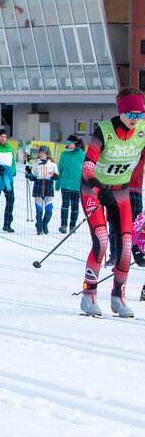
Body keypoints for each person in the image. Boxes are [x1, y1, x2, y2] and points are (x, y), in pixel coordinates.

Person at [80, 87, 145, 318]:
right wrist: (99, 188)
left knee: (127, 245)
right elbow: (87, 166)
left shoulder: (142, 130)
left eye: (140, 115)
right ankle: (89, 295)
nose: (136, 120)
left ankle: (118, 297)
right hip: (94, 189)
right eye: (131, 115)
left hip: (121, 191)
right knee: (102, 240)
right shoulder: (105, 131)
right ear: (121, 111)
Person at [25, 145, 59, 235]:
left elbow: (57, 176)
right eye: (40, 153)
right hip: (38, 189)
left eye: (43, 153)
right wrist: (28, 174)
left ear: (46, 154)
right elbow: (32, 177)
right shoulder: (35, 164)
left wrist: (53, 175)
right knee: (39, 210)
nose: (41, 154)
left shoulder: (52, 164)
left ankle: (44, 224)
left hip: (48, 189)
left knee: (49, 209)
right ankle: (39, 227)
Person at [56, 135, 85, 233]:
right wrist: (57, 184)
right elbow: (59, 169)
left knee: (75, 206)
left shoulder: (82, 155)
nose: (67, 145)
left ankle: (72, 225)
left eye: (70, 143)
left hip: (77, 186)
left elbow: (86, 171)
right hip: (65, 184)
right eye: (67, 142)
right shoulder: (64, 154)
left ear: (75, 144)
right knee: (65, 204)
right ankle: (63, 225)